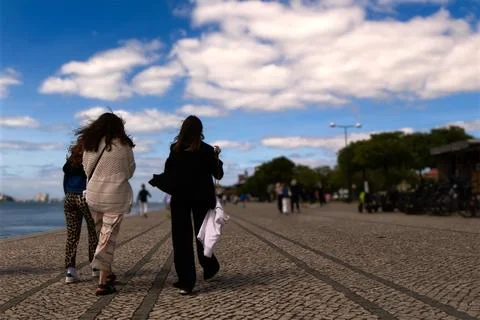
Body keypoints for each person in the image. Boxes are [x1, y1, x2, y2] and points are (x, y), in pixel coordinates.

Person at [163, 115, 223, 295]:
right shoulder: (206, 150)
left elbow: (168, 173)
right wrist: (217, 156)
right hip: (202, 197)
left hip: (180, 198)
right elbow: (218, 174)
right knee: (202, 235)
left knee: (180, 239)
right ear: (200, 131)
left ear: (182, 130)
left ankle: (186, 281)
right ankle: (210, 265)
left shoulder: (175, 149)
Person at [78, 112, 136, 296]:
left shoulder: (91, 144)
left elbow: (86, 169)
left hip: (94, 196)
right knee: (107, 239)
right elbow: (130, 170)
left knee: (99, 235)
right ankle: (103, 283)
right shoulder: (124, 145)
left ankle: (107, 273)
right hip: (115, 197)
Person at [62, 137, 98, 283]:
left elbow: (65, 179)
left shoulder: (71, 159)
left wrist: (67, 194)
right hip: (85, 197)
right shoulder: (90, 157)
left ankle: (70, 271)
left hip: (69, 197)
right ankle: (95, 267)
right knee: (93, 232)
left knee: (72, 235)